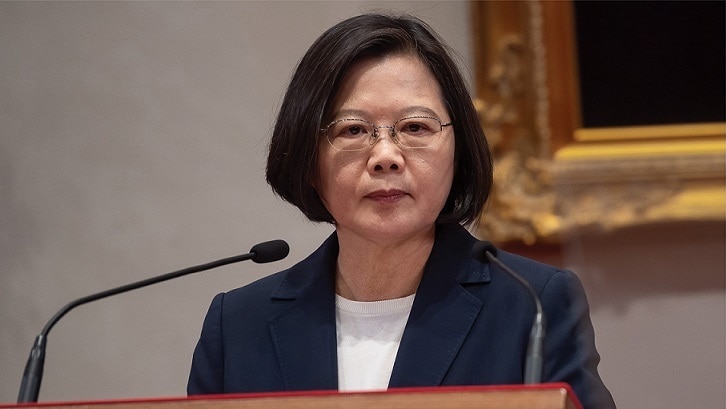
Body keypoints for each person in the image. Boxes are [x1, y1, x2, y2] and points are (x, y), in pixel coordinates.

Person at [187, 13, 616, 409]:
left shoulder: (532, 306)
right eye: (353, 130)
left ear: (458, 150)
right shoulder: (239, 327)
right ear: (308, 160)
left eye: (415, 127)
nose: (386, 156)